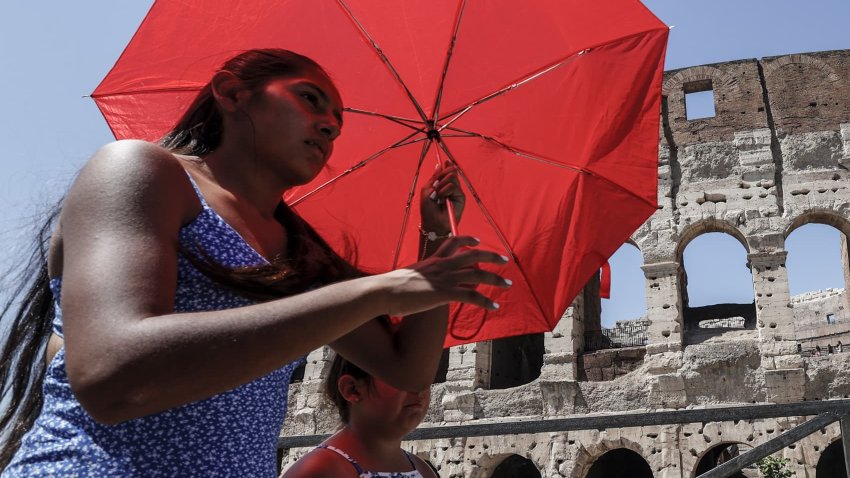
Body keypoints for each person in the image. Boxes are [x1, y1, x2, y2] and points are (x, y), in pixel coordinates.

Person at [0, 49, 509, 476]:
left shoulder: (297, 249)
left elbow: (407, 367)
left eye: (337, 123)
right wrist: (375, 292)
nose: (330, 125)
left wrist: (436, 239)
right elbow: (112, 375)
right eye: (310, 99)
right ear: (232, 92)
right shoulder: (140, 170)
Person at [281, 352, 438, 478]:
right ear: (352, 389)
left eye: (424, 378)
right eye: (402, 378)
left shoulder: (422, 469)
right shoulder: (320, 470)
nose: (419, 389)